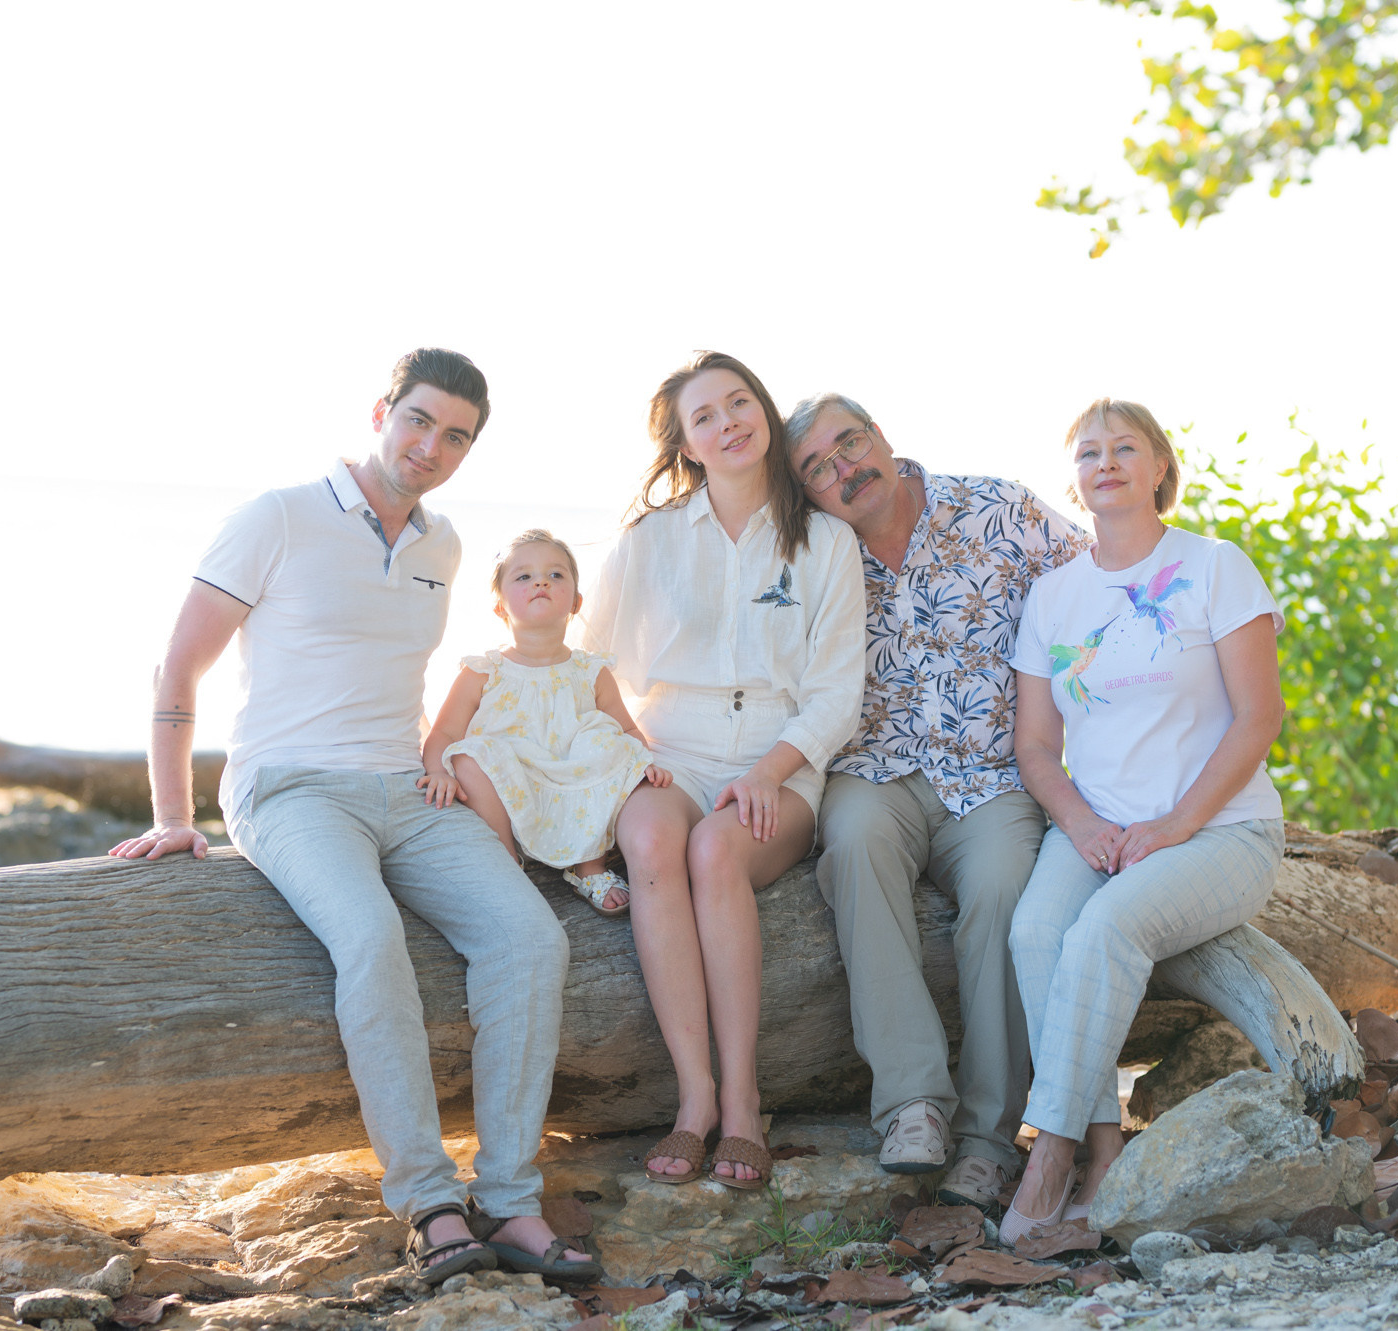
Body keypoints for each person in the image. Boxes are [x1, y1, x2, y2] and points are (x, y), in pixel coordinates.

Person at [108, 350, 598, 1285]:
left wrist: (442, 756)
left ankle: (510, 1199)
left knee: (531, 941)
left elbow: (395, 679)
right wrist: (171, 812)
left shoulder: (443, 545)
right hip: (290, 789)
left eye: (456, 435)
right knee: (371, 938)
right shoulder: (278, 516)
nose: (432, 445)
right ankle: (428, 1200)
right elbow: (178, 668)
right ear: (383, 410)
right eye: (419, 420)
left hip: (408, 793)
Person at [784, 393, 1091, 1207]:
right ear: (808, 492)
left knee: (1002, 890)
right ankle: (914, 1101)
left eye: (850, 443)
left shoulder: (997, 509)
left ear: (883, 435)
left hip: (992, 772)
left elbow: (1101, 590)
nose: (845, 468)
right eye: (819, 467)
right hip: (872, 770)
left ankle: (990, 1138)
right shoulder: (812, 555)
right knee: (853, 848)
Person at [1001, 398, 1287, 1242]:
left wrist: (1173, 825)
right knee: (1034, 935)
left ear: (1161, 465)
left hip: (1221, 832)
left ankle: (1047, 1154)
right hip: (1094, 831)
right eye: (1089, 451)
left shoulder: (1215, 566)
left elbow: (1259, 718)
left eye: (1126, 446)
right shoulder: (1054, 596)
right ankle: (1104, 1147)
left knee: (1104, 930)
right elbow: (1036, 747)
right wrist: (1084, 826)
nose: (1107, 461)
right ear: (1075, 480)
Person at [580, 352, 865, 1189]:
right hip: (672, 747)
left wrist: (772, 772)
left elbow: (837, 694)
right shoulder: (650, 540)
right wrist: (634, 752)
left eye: (741, 402)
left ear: (766, 413)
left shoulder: (825, 540)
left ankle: (743, 1102)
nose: (729, 421)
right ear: (688, 445)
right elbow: (591, 668)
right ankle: (693, 1099)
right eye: (705, 416)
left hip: (783, 755)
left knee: (716, 852)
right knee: (652, 838)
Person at [418, 528, 673, 915]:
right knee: (470, 755)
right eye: (523, 576)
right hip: (513, 787)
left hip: (575, 785)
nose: (541, 581)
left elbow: (626, 729)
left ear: (576, 601)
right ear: (500, 606)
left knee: (606, 739)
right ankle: (507, 860)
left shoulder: (591, 671)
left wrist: (644, 761)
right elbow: (445, 733)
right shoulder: (484, 672)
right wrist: (437, 770)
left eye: (556, 575)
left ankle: (589, 867)